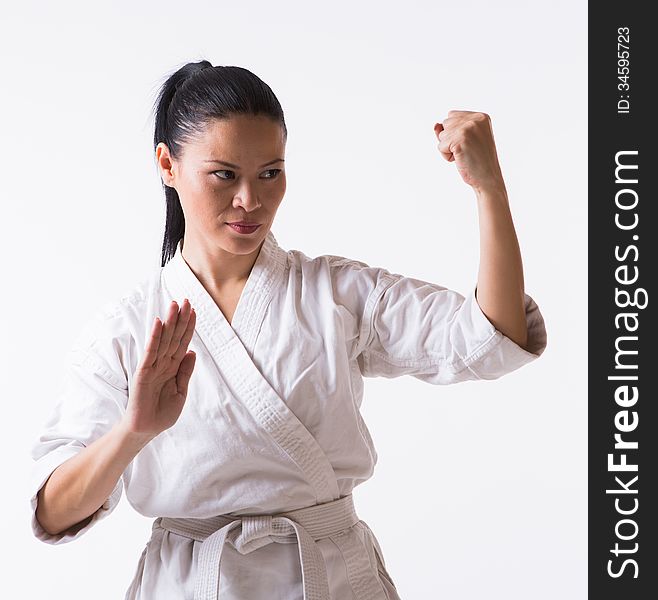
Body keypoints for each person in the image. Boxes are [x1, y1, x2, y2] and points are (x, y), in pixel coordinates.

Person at [29, 60, 548, 600]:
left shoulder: (337, 294)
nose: (250, 201)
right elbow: (52, 510)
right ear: (167, 164)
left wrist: (489, 189)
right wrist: (133, 431)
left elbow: (491, 338)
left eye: (270, 173)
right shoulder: (127, 330)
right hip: (192, 585)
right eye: (224, 175)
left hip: (329, 579)